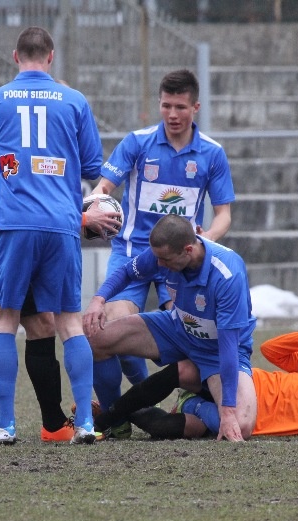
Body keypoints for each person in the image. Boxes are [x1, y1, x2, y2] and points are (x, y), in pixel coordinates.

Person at [0, 26, 103, 445]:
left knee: (5, 321)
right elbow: (91, 166)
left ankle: (6, 424)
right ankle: (84, 421)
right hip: (62, 224)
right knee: (69, 322)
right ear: (51, 57)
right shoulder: (75, 100)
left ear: (15, 57)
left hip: (13, 222)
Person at [88, 68, 235, 437]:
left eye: (180, 107)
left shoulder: (212, 154)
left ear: (195, 107)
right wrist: (96, 204)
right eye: (166, 105)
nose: (172, 114)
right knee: (111, 328)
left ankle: (179, 402)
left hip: (181, 261)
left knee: (188, 343)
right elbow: (104, 185)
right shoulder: (138, 142)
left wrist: (205, 239)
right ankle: (119, 415)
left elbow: (224, 215)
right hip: (134, 252)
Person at [0, 166, 118, 443]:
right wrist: (85, 217)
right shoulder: (35, 141)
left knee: (19, 325)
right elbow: (33, 199)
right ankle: (52, 425)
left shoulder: (13, 130)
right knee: (29, 325)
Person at [84, 214, 257, 441]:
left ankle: (192, 404)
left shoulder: (227, 274)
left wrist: (227, 411)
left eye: (165, 260)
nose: (158, 265)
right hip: (177, 329)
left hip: (216, 351)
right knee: (95, 338)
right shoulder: (162, 255)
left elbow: (227, 347)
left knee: (241, 426)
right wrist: (99, 299)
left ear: (187, 250)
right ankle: (115, 422)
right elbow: (127, 272)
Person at [95, 322, 298, 439]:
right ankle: (107, 418)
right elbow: (271, 350)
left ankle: (122, 412)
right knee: (184, 371)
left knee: (181, 429)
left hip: (246, 420)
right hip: (242, 383)